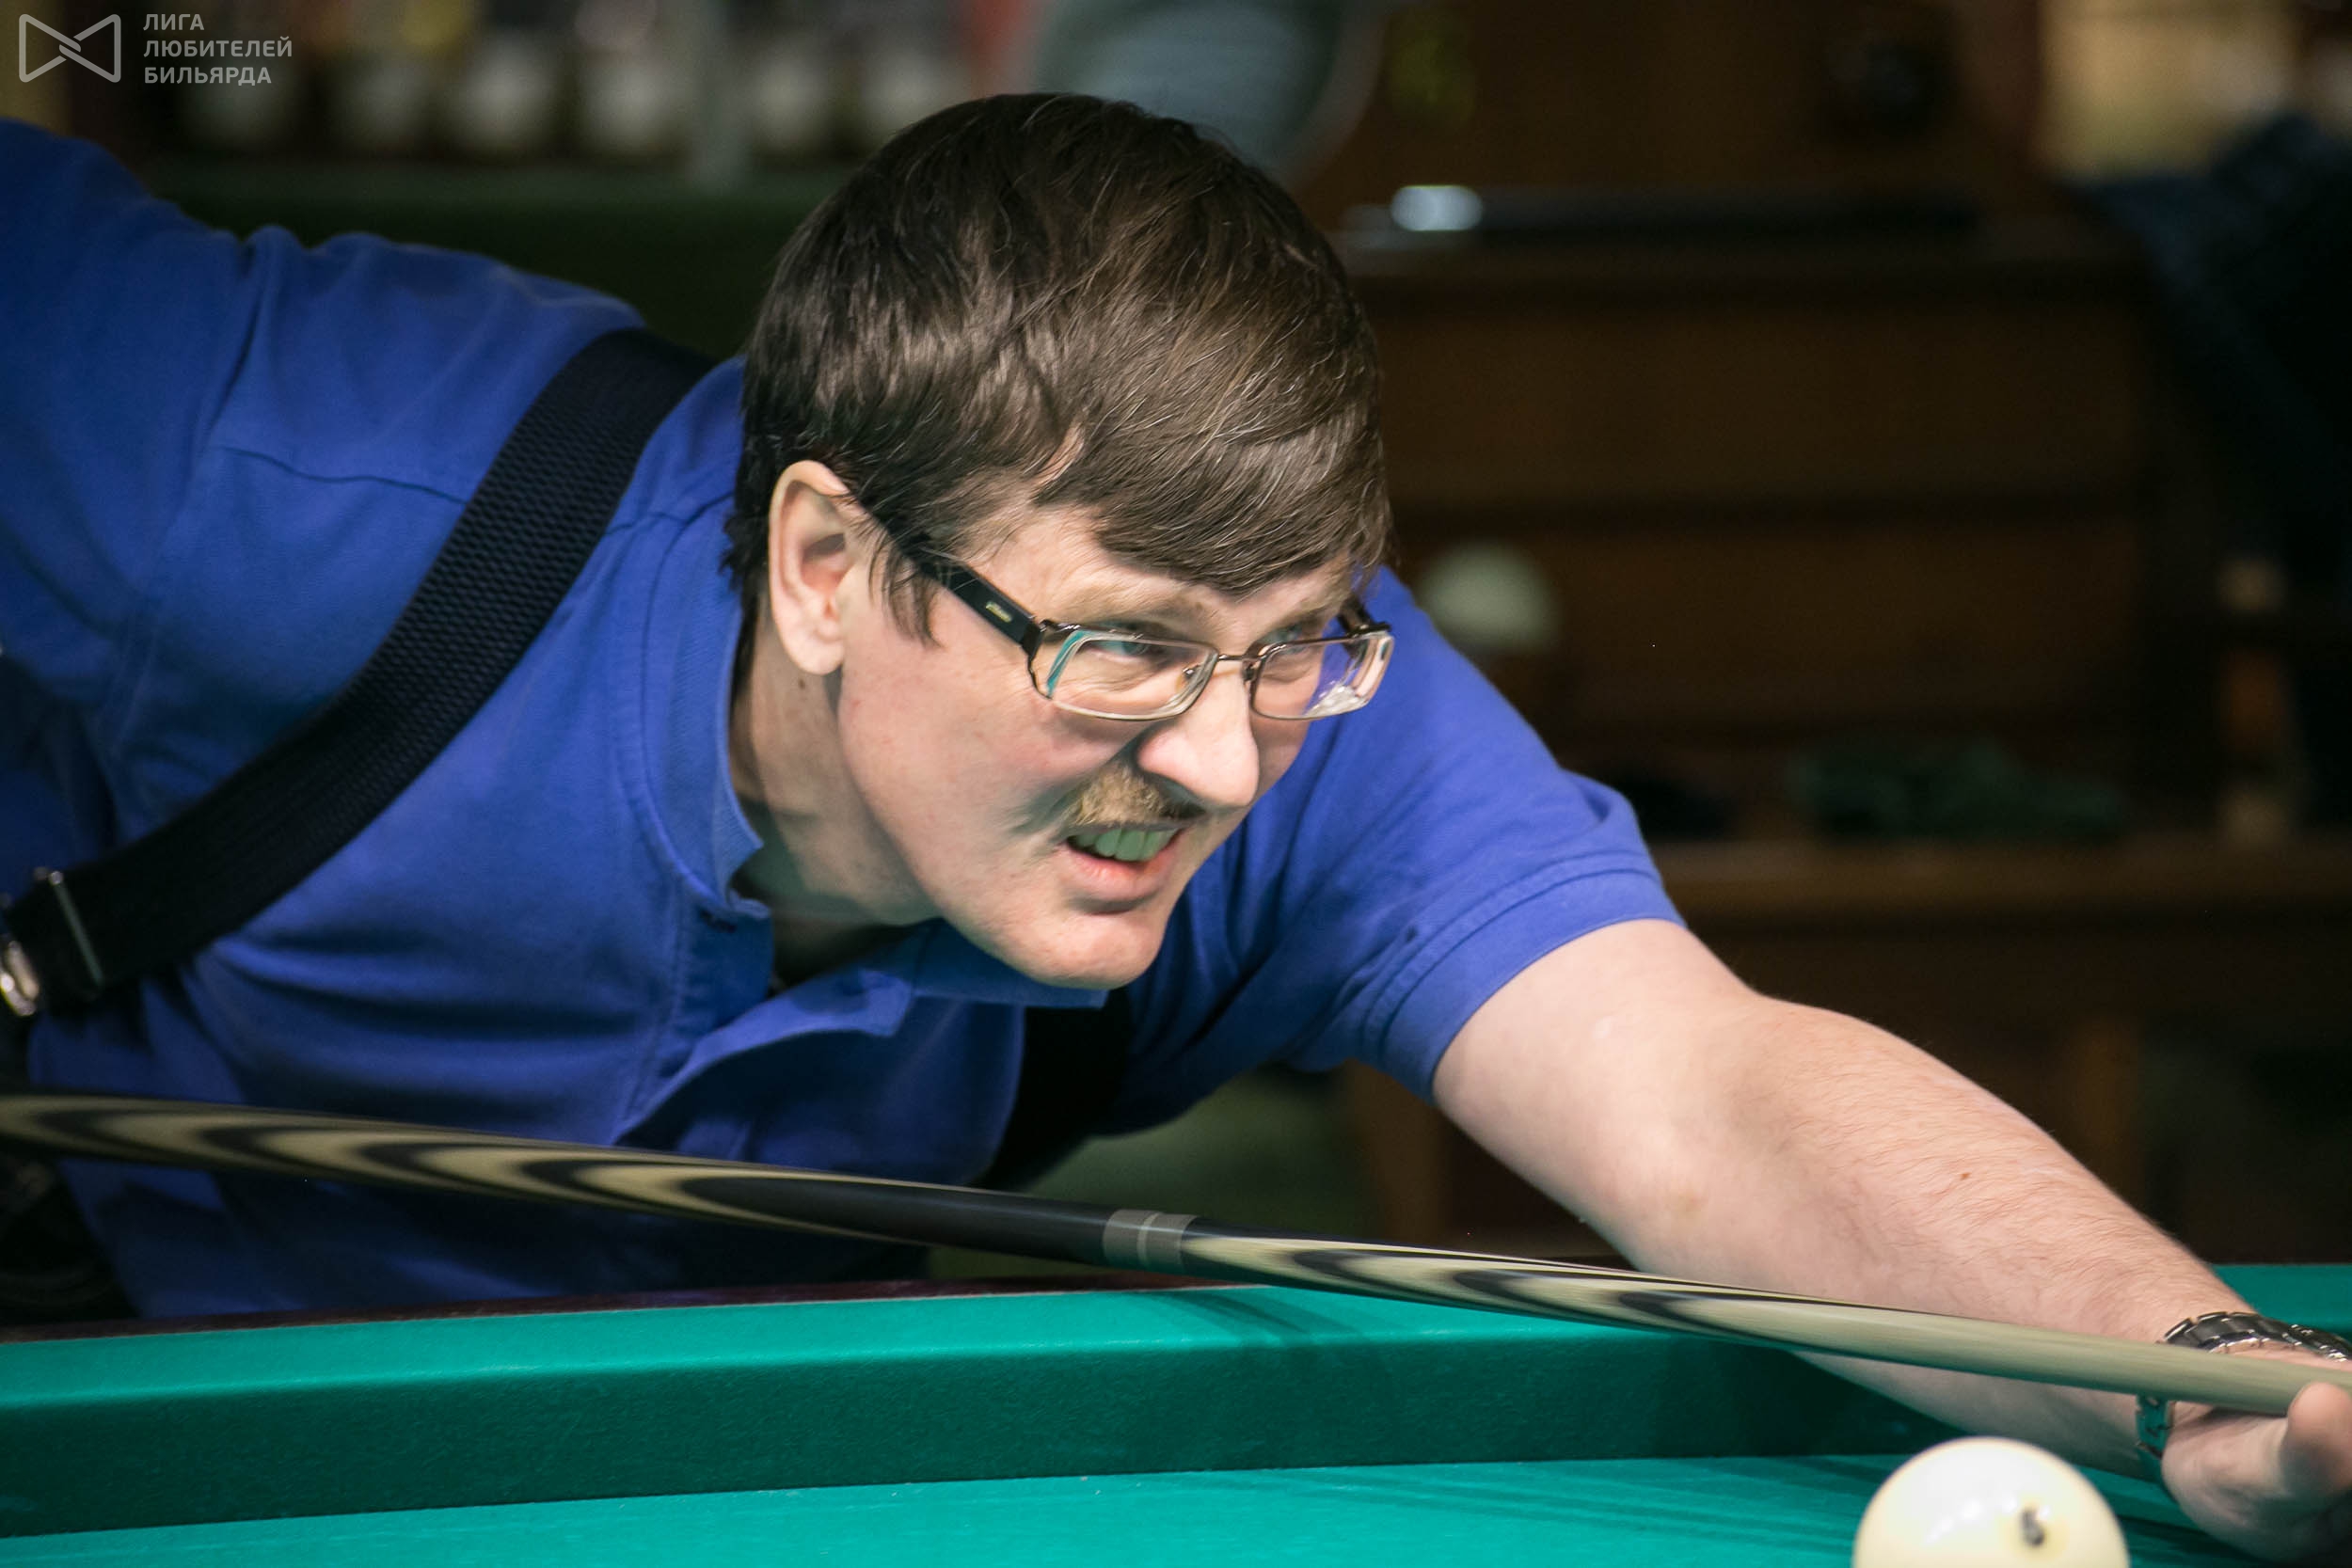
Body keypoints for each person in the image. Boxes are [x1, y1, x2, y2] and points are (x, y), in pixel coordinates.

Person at [1, 95, 2346, 1562]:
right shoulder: (266, 470)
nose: (1223, 762)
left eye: (1298, 635)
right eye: (1118, 644)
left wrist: (2186, 1363)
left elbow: (1705, 1096)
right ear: (823, 565)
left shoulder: (1316, 737)